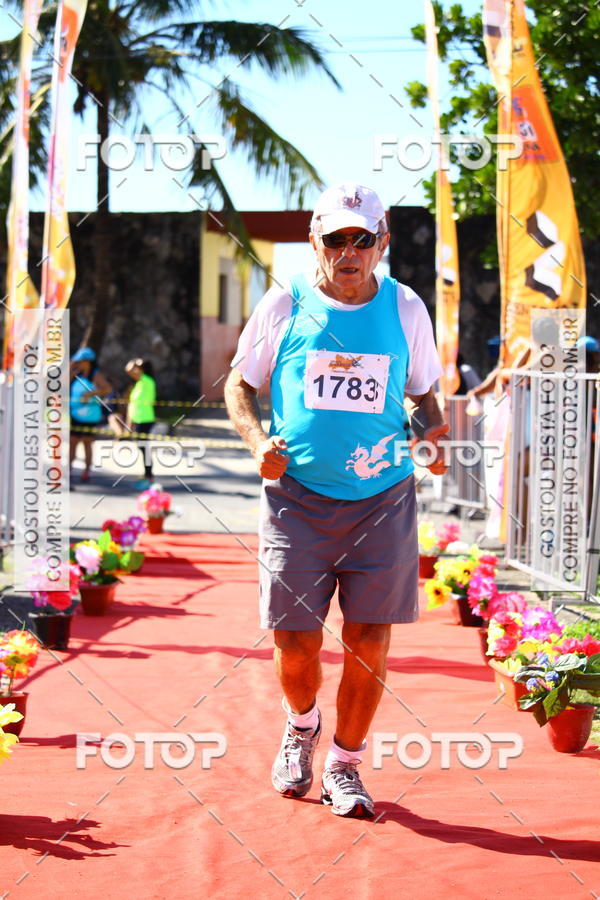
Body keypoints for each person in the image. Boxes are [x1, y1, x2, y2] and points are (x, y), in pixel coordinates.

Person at [224, 183, 448, 819]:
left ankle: (346, 764)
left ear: (382, 243)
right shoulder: (285, 302)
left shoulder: (405, 307)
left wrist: (431, 434)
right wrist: (254, 440)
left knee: (369, 640)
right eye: (335, 239)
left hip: (382, 497)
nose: (348, 252)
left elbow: (424, 393)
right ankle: (301, 727)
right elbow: (241, 384)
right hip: (297, 497)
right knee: (294, 642)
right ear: (315, 244)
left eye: (361, 239)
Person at [69, 347, 112, 483]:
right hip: (75, 414)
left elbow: (107, 389)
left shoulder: (95, 375)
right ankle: (68, 470)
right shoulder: (76, 373)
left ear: (88, 361)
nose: (79, 363)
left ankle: (87, 471)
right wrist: (71, 368)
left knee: (87, 442)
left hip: (90, 415)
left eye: (80, 361)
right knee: (73, 442)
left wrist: (90, 394)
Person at [125, 358, 157, 490]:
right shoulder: (139, 383)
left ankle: (149, 475)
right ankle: (147, 474)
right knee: (142, 447)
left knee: (144, 447)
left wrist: (133, 361)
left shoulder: (146, 381)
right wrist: (129, 422)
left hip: (145, 419)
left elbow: (128, 369)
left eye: (138, 367)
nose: (135, 369)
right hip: (138, 419)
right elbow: (133, 404)